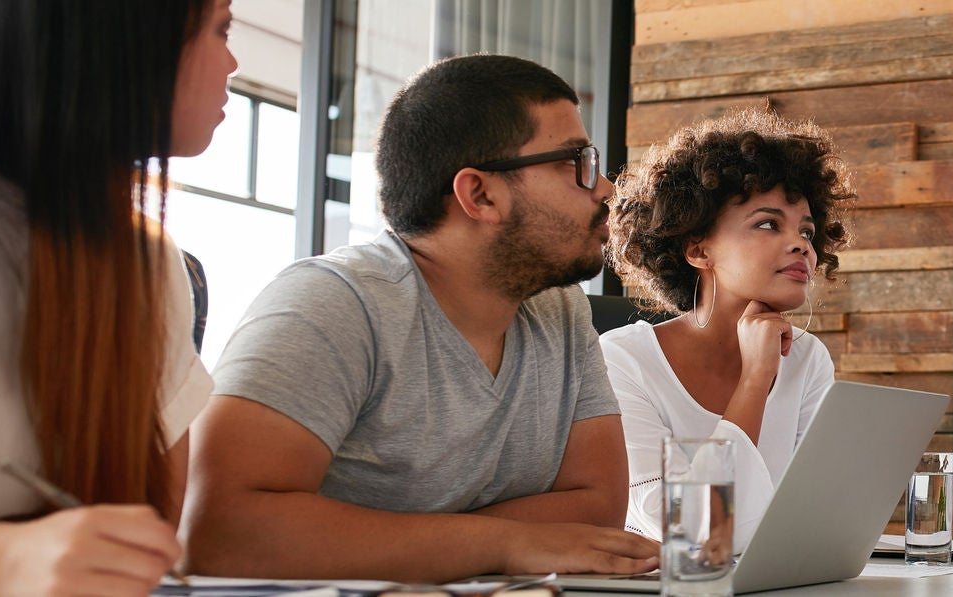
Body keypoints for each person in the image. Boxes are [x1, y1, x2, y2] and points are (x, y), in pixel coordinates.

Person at [181, 54, 657, 583]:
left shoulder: (559, 311)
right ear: (479, 194)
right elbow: (220, 529)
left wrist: (416, 541)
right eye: (576, 162)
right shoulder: (333, 303)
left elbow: (597, 509)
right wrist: (510, 542)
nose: (607, 188)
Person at [0, 0, 231, 595]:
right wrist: (0, 561)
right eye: (221, 29)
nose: (232, 61)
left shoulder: (153, 264)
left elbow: (149, 548)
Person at [601, 110, 852, 553]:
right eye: (768, 223)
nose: (802, 245)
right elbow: (689, 530)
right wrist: (755, 379)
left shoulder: (807, 358)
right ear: (698, 248)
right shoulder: (622, 361)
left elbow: (812, 519)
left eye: (807, 231)